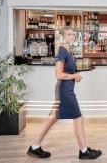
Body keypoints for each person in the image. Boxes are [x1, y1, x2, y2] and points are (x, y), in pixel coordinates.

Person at [27, 29, 102, 160]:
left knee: (53, 117)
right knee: (78, 117)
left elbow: (68, 68)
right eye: (68, 34)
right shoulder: (62, 50)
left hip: (66, 89)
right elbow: (58, 74)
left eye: (73, 34)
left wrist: (76, 72)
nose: (71, 36)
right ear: (62, 36)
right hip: (64, 90)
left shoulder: (68, 50)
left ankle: (34, 147)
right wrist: (75, 76)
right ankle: (83, 150)